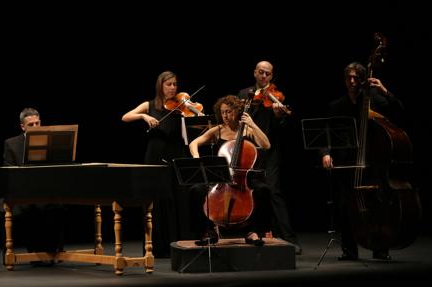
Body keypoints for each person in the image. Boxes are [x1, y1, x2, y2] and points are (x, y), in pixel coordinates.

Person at [321, 62, 405, 261]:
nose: (352, 81)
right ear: (344, 80)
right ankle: (349, 251)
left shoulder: (374, 100)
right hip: (347, 164)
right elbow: (326, 134)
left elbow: (400, 110)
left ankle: (380, 249)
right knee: (345, 208)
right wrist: (326, 153)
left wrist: (384, 90)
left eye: (356, 78)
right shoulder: (336, 105)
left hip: (373, 164)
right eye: (349, 78)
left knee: (378, 207)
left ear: (363, 80)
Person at [188, 95, 272, 246]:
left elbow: (266, 145)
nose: (225, 116)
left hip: (244, 177)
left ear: (237, 111)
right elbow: (194, 143)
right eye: (223, 112)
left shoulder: (247, 129)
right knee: (196, 190)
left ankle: (253, 231)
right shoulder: (218, 130)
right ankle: (208, 231)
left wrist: (252, 124)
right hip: (222, 178)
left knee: (263, 190)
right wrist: (196, 156)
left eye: (229, 112)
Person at [238, 60, 302, 255]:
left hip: (270, 150)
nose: (264, 76)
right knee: (250, 191)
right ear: (255, 73)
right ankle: (253, 232)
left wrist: (278, 116)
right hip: (249, 149)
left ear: (271, 76)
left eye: (267, 73)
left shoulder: (276, 97)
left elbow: (282, 130)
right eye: (261, 72)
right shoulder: (244, 94)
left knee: (273, 191)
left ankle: (290, 239)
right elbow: (241, 118)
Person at [122, 71, 188, 258]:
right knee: (155, 200)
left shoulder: (181, 106)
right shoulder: (149, 105)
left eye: (175, 84)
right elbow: (125, 117)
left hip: (175, 153)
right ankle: (157, 247)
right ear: (160, 86)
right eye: (169, 84)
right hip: (155, 155)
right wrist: (144, 117)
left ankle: (178, 244)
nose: (173, 88)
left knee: (176, 197)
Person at [2, 107, 65, 257]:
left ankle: (51, 251)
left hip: (45, 190)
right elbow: (8, 172)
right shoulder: (11, 144)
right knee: (30, 207)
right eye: (31, 125)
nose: (36, 127)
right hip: (21, 192)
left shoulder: (51, 140)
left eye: (38, 123)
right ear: (23, 127)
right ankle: (35, 252)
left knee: (57, 205)